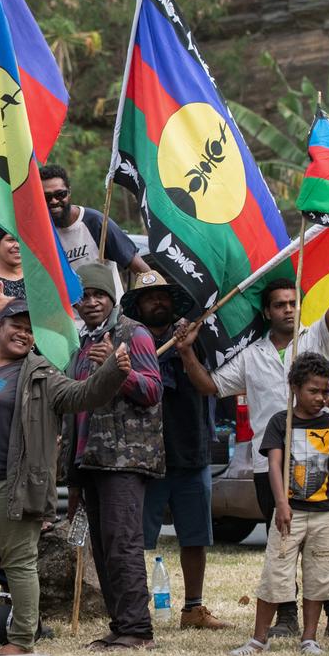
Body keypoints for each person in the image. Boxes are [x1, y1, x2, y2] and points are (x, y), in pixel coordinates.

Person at [0, 300, 132, 656]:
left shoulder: (40, 373)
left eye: (28, 329)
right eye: (15, 326)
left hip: (14, 487)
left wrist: (112, 371)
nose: (22, 333)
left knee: (19, 564)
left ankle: (21, 641)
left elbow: (81, 395)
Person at [181, 270, 329, 641]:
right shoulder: (251, 356)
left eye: (293, 303)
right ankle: (285, 617)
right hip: (271, 466)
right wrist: (186, 351)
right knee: (280, 540)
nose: (288, 310)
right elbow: (210, 385)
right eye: (280, 305)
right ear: (266, 312)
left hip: (318, 460)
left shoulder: (315, 337)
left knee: (326, 541)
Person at [120, 270, 228, 631]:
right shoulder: (128, 343)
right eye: (150, 297)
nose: (158, 302)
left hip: (190, 449)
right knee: (136, 538)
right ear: (138, 305)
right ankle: (135, 610)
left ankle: (193, 609)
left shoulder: (193, 338)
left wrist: (185, 352)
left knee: (195, 535)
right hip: (143, 457)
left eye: (164, 296)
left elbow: (209, 386)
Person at [63, 262, 163, 650]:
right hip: (89, 459)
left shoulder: (132, 334)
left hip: (124, 458)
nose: (90, 303)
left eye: (98, 295)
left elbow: (153, 391)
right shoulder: (81, 345)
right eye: (84, 296)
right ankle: (121, 624)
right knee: (102, 549)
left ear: (112, 298)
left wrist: (120, 370)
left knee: (123, 542)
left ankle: (138, 630)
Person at [230, 352, 329, 656]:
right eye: (313, 390)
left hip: (326, 512)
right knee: (276, 573)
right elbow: (274, 465)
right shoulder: (280, 422)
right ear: (295, 389)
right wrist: (281, 503)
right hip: (291, 511)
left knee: (319, 576)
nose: (319, 397)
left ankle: (309, 638)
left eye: (325, 391)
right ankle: (259, 638)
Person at [39, 164, 150, 275]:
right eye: (47, 197)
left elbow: (140, 267)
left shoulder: (95, 222)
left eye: (60, 194)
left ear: (69, 192)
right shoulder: (40, 233)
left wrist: (158, 289)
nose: (54, 201)